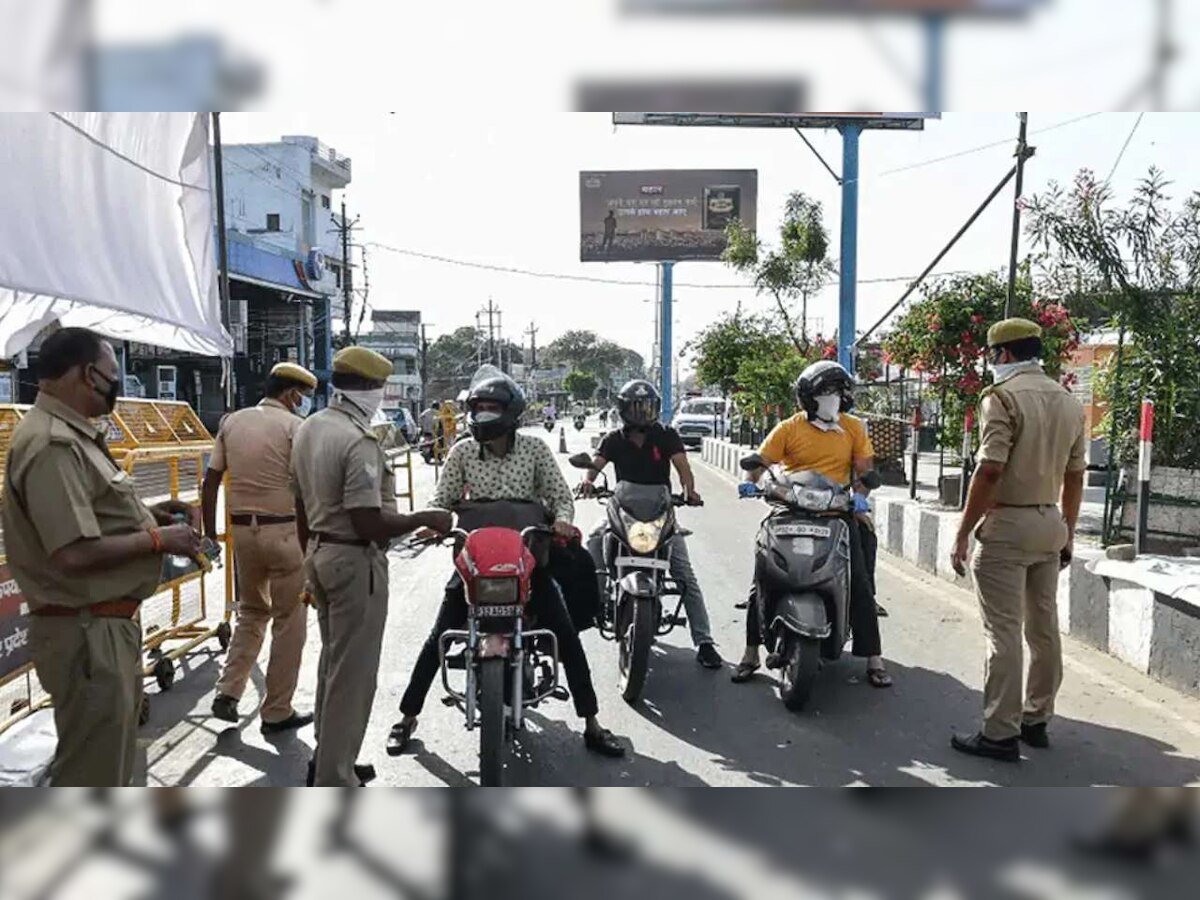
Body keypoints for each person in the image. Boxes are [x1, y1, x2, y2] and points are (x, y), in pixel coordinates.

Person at [387, 369, 626, 759]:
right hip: (475, 564)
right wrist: (434, 524)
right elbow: (442, 500)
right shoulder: (462, 451)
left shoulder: (534, 450)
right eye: (477, 409)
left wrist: (564, 519)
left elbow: (560, 496)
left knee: (565, 634)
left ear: (509, 412)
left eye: (490, 409)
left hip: (528, 561)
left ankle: (593, 723)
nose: (481, 415)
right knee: (439, 635)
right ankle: (407, 718)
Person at [0, 328, 201, 786]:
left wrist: (150, 517)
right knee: (92, 774)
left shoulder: (74, 437)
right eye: (114, 376)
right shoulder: (54, 443)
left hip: (102, 628)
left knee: (107, 767)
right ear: (89, 375)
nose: (117, 386)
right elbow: (71, 551)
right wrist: (158, 541)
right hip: (86, 633)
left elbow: (89, 516)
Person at [290, 346, 452, 786]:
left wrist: (310, 557)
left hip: (322, 553)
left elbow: (301, 504)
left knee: (332, 666)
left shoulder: (310, 428)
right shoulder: (356, 439)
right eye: (380, 387)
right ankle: (334, 777)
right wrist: (424, 518)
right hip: (353, 559)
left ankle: (328, 759)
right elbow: (367, 522)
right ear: (370, 388)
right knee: (353, 678)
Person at [950, 318, 1087, 762]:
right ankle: (1036, 719)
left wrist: (963, 531)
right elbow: (1075, 475)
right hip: (1050, 523)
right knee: (1043, 628)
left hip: (1007, 526)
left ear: (1003, 354)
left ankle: (999, 732)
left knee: (1003, 632)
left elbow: (990, 469)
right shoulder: (1068, 400)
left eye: (992, 355)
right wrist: (1068, 529)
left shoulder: (1002, 398)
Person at [730, 360, 892, 689]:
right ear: (808, 397)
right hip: (790, 508)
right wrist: (750, 481)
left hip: (835, 511)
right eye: (825, 393)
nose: (833, 399)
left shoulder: (854, 428)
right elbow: (760, 462)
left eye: (837, 393)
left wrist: (859, 495)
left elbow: (864, 472)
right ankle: (749, 653)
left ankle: (874, 658)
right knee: (762, 575)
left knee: (858, 580)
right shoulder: (789, 428)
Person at [202, 362, 317, 733]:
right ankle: (277, 709)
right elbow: (307, 491)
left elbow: (211, 482)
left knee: (251, 612)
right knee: (289, 621)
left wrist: (210, 534)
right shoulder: (294, 428)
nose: (303, 403)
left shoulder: (232, 422)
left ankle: (228, 691)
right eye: (302, 396)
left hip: (243, 534)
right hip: (284, 533)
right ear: (291, 394)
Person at [579, 379, 722, 670]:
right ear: (623, 409)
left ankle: (704, 641)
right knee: (593, 540)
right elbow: (596, 466)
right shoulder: (613, 439)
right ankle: (597, 600)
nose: (642, 413)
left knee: (684, 574)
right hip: (623, 510)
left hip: (660, 511)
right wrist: (586, 482)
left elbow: (683, 468)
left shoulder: (667, 435)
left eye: (646, 407)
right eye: (636, 407)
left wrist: (689, 492)